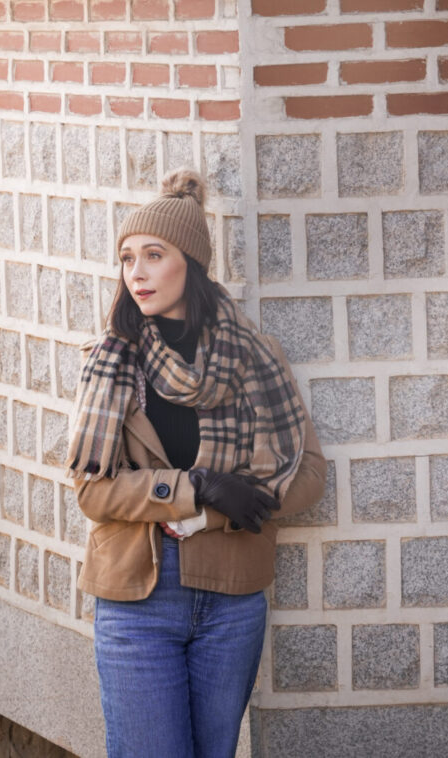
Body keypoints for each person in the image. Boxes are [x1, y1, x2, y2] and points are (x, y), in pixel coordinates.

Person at [68, 169, 327, 758]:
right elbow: (92, 490)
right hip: (138, 600)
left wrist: (224, 512)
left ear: (191, 263)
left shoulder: (256, 357)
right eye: (127, 257)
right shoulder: (112, 361)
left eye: (153, 255)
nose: (136, 272)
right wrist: (199, 487)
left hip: (231, 599)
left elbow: (308, 472)